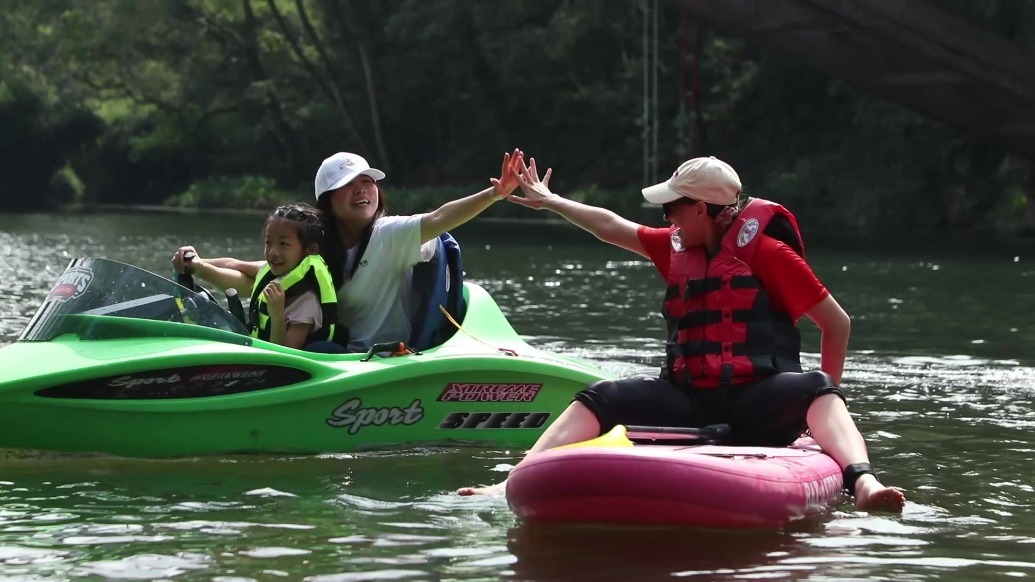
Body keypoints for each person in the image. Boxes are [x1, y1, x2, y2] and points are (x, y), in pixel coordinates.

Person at [457, 156, 906, 513]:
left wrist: (815, 422)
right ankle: (510, 482)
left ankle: (863, 482)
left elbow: (836, 322)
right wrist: (552, 201)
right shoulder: (677, 247)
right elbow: (611, 225)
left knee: (817, 388)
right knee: (600, 395)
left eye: (673, 207)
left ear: (702, 209)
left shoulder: (769, 254)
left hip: (759, 398)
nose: (667, 217)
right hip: (688, 399)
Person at [173, 149, 523, 352]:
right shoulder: (318, 246)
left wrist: (493, 194)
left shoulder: (390, 234)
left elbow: (439, 217)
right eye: (348, 185)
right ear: (327, 200)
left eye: (367, 182)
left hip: (378, 360)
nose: (362, 191)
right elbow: (258, 276)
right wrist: (198, 265)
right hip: (333, 357)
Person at [177, 203, 335, 349]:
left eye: (284, 244)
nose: (273, 252)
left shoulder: (306, 302)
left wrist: (277, 315)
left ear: (310, 250)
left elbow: (285, 352)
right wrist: (196, 262)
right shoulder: (275, 271)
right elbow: (234, 264)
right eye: (268, 242)